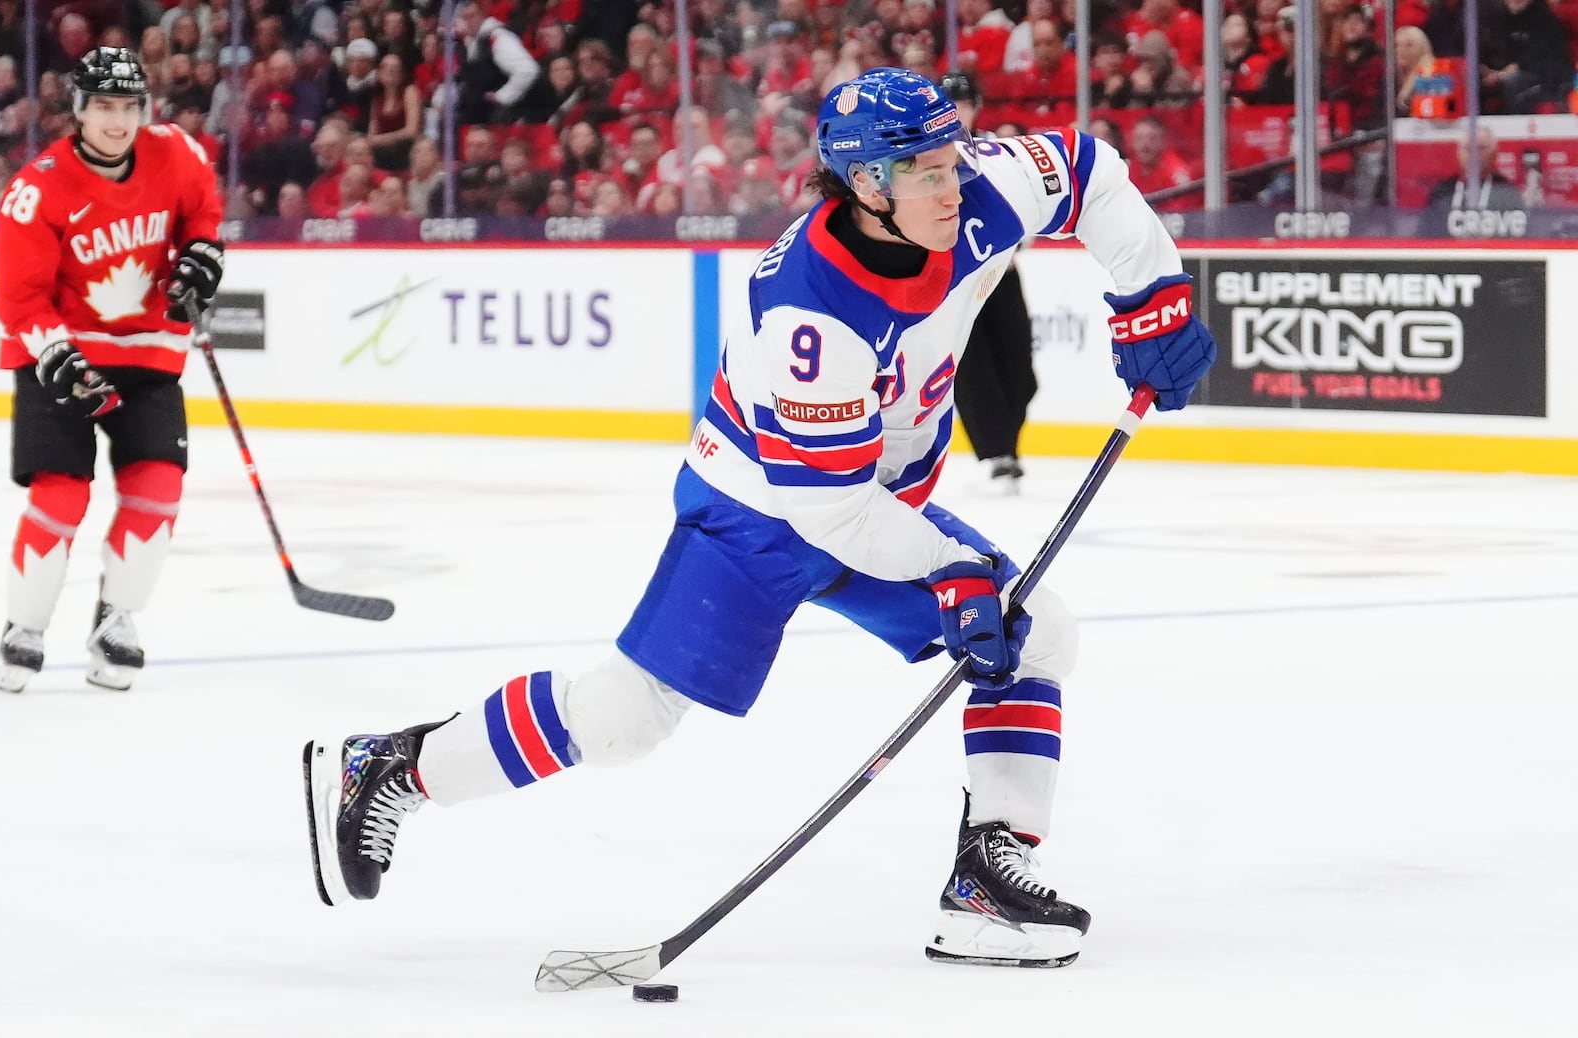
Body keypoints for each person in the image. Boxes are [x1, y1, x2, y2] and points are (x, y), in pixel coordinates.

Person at [303, 68, 1215, 969]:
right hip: (761, 511)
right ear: (867, 187)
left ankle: (985, 886)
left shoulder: (976, 187)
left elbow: (1091, 176)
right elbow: (835, 516)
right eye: (929, 172)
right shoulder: (808, 315)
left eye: (953, 160)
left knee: (1036, 634)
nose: (957, 182)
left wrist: (1155, 299)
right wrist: (955, 569)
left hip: (870, 501)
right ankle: (391, 767)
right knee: (624, 722)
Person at [0, 47, 224, 694]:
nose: (117, 121)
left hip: (148, 349)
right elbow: (19, 296)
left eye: (128, 107)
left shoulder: (176, 151)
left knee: (158, 489)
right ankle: (26, 625)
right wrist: (55, 354)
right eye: (103, 107)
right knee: (61, 494)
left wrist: (204, 251)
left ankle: (117, 617)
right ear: (79, 111)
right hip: (60, 354)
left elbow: (202, 210)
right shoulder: (35, 190)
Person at [942, 71, 1038, 492]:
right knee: (973, 367)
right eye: (950, 101)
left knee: (1019, 366)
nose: (958, 109)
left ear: (976, 105)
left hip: (1003, 271)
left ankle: (1009, 445)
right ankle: (998, 451)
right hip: (957, 277)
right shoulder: (926, 156)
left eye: (963, 101)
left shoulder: (995, 151)